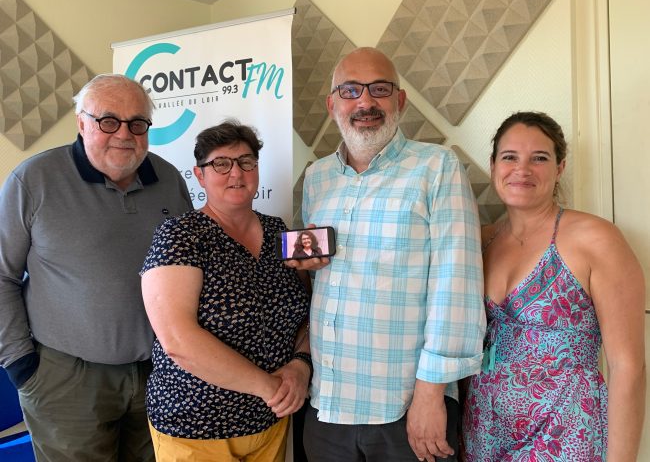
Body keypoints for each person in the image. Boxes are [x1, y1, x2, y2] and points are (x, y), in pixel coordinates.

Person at [286, 47, 486, 462]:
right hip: (327, 405)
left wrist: (431, 395)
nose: (365, 102)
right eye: (350, 90)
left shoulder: (437, 167)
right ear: (332, 104)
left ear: (400, 100)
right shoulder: (317, 177)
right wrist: (305, 266)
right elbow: (320, 278)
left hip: (406, 406)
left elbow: (456, 287)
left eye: (379, 89)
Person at [0, 74, 193, 461]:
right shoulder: (33, 180)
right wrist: (22, 364)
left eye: (137, 123)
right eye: (108, 121)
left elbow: (191, 269)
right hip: (67, 380)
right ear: (82, 122)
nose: (124, 134)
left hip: (159, 373)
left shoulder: (169, 180)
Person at [462, 111, 646, 461]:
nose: (522, 169)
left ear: (560, 167)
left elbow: (628, 366)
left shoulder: (596, 239)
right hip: (483, 432)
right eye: (510, 157)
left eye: (539, 158)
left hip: (566, 433)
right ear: (493, 165)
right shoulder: (480, 242)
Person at [140, 121, 311, 462]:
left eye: (246, 161)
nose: (236, 172)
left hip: (269, 423)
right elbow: (177, 341)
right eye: (221, 163)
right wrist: (268, 387)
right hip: (195, 427)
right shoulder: (179, 236)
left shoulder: (279, 233)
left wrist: (300, 365)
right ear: (200, 175)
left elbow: (307, 313)